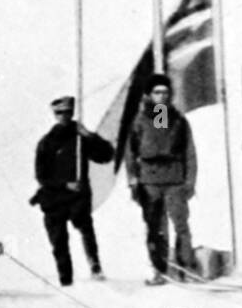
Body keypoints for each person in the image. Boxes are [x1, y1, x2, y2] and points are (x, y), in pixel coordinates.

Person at [29, 96, 114, 285]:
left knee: (85, 228)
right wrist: (64, 185)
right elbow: (42, 176)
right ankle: (65, 281)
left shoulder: (79, 137)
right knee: (59, 242)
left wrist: (90, 136)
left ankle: (95, 266)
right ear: (54, 114)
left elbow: (106, 155)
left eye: (68, 112)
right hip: (55, 198)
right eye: (60, 113)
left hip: (78, 197)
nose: (64, 116)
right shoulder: (47, 142)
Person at [127, 73, 199, 285]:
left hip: (174, 179)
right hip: (150, 180)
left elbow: (189, 153)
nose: (162, 96)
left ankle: (187, 267)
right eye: (157, 92)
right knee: (156, 228)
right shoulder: (140, 121)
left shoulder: (177, 120)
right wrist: (132, 179)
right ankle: (160, 269)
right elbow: (130, 153)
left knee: (180, 225)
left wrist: (190, 181)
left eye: (166, 92)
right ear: (149, 95)